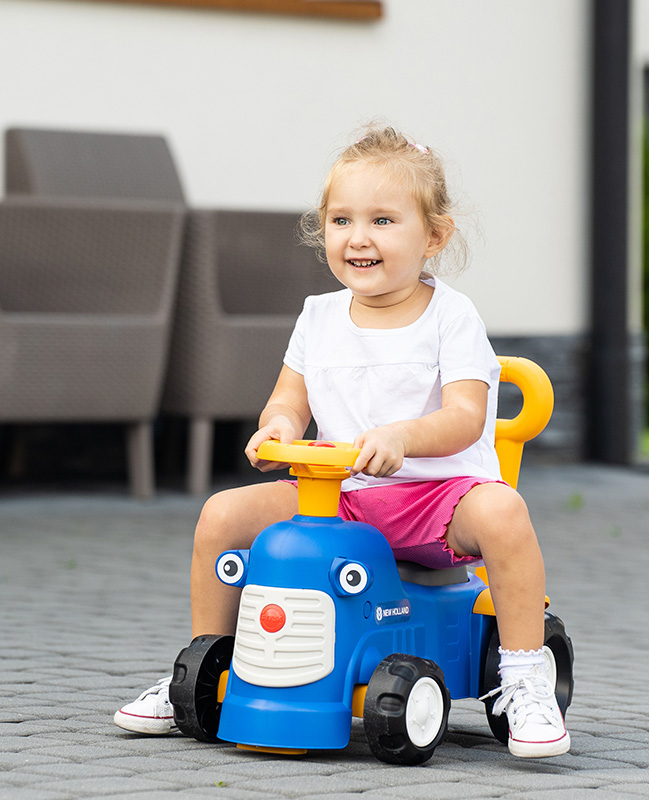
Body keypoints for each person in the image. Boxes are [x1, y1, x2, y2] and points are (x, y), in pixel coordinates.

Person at [114, 126, 570, 759]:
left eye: (382, 220)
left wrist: (403, 437)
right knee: (221, 515)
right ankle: (208, 665)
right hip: (342, 498)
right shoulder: (318, 316)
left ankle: (522, 677)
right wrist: (278, 426)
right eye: (341, 219)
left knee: (504, 511)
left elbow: (467, 417)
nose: (358, 237)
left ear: (434, 236)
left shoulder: (451, 316)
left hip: (437, 499)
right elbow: (288, 399)